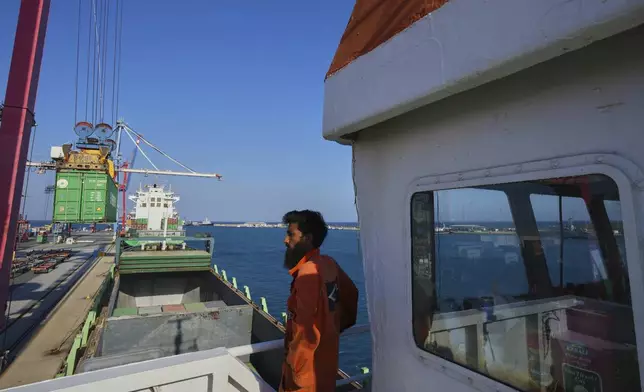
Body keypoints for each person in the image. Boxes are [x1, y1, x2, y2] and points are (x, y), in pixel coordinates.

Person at [280, 210, 358, 392]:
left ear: (307, 238)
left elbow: (302, 329)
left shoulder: (307, 274)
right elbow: (352, 294)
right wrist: (332, 328)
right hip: (326, 366)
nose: (285, 240)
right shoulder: (329, 263)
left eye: (291, 234)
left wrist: (295, 375)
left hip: (304, 377)